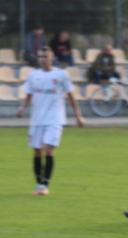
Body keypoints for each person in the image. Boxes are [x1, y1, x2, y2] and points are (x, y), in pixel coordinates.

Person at [15, 46, 85, 195]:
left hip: (55, 119)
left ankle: (45, 185)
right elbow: (28, 94)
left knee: (49, 149)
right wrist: (22, 107)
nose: (42, 59)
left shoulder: (61, 75)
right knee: (37, 152)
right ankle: (39, 183)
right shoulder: (33, 75)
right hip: (37, 120)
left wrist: (78, 115)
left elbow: (71, 96)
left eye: (45, 56)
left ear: (51, 57)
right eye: (40, 56)